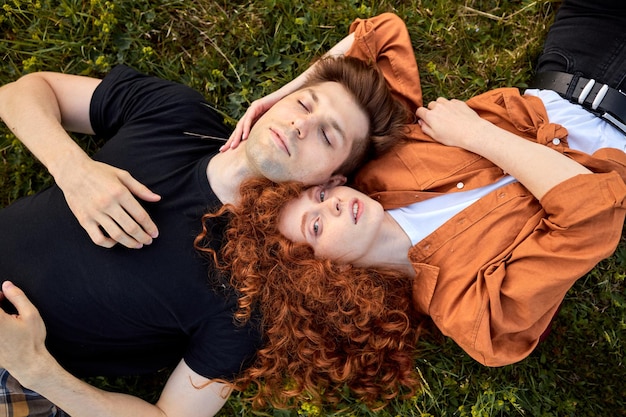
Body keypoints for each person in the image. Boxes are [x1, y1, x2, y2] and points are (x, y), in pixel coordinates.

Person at [0, 20, 410, 417]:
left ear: (334, 179)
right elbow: (22, 93)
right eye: (303, 103)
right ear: (275, 101)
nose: (302, 125)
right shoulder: (180, 116)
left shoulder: (249, 298)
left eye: (327, 135)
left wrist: (36, 368)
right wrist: (72, 167)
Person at [218, 1, 626, 367]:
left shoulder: (381, 165)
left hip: (577, 56)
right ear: (322, 275)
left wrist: (281, 99)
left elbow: (380, 36)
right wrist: (477, 136)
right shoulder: (473, 313)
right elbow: (592, 213)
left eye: (321, 195)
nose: (334, 204)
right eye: (317, 225)